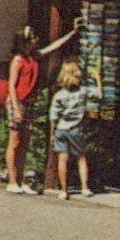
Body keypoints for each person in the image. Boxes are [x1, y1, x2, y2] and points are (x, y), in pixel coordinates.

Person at [5, 22, 77, 194]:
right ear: (25, 41)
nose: (36, 40)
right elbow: (11, 86)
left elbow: (53, 47)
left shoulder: (34, 57)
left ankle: (21, 180)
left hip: (29, 102)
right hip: (18, 102)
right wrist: (16, 108)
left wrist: (72, 33)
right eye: (33, 38)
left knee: (25, 142)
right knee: (14, 141)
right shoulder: (17, 60)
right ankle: (12, 180)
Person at [49, 59, 91, 200]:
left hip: (61, 128)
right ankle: (85, 188)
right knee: (81, 157)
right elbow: (98, 95)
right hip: (76, 129)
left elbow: (53, 116)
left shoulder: (59, 95)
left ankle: (64, 190)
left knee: (62, 159)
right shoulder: (83, 93)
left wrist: (52, 134)